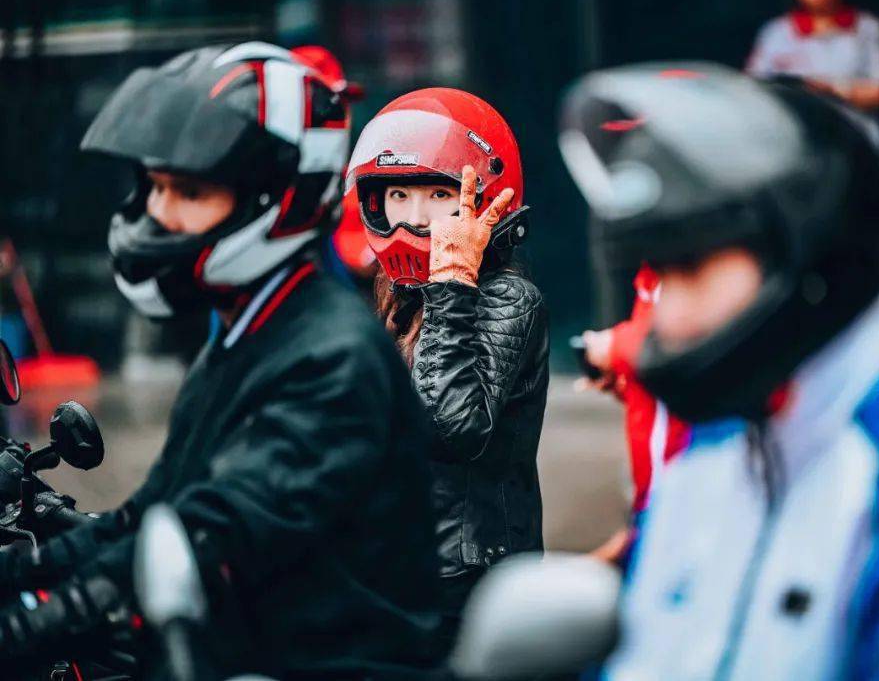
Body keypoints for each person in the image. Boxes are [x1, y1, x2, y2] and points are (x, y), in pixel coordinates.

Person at [559, 62, 879, 679]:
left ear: (799, 247)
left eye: (693, 269)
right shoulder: (718, 442)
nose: (668, 314)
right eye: (659, 275)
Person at [0, 42, 445, 680]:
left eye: (189, 191)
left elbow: (210, 531)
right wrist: (22, 570)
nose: (159, 213)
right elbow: (154, 513)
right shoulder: (248, 334)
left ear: (280, 199)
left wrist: (36, 620)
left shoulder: (331, 357)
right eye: (156, 187)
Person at [344, 88, 549, 635]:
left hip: (468, 582)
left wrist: (453, 280)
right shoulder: (401, 293)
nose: (414, 219)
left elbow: (449, 426)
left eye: (438, 195)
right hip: (402, 565)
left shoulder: (508, 297)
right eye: (399, 195)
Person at [577, 264, 690, 563]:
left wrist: (614, 347)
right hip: (652, 500)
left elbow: (683, 340)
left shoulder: (683, 270)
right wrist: (628, 385)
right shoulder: (649, 277)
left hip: (682, 498)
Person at [746, 0, 879, 148]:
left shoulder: (867, 28)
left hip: (853, 139)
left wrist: (835, 89)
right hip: (795, 141)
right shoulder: (775, 33)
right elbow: (753, 88)